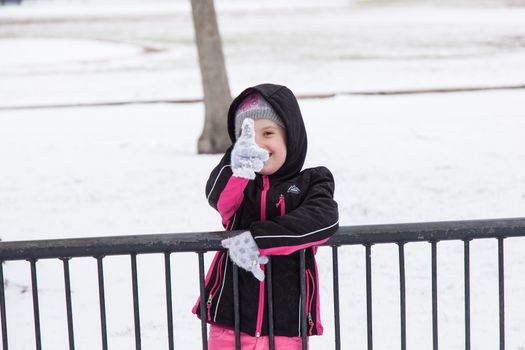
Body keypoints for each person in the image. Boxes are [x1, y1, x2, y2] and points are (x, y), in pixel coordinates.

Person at [192, 83, 339, 349]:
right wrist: (235, 166)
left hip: (286, 326)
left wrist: (257, 239)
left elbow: (323, 219)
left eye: (268, 133)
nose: (258, 144)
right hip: (230, 323)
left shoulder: (313, 181)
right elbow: (217, 196)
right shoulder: (240, 184)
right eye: (246, 137)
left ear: (290, 137)